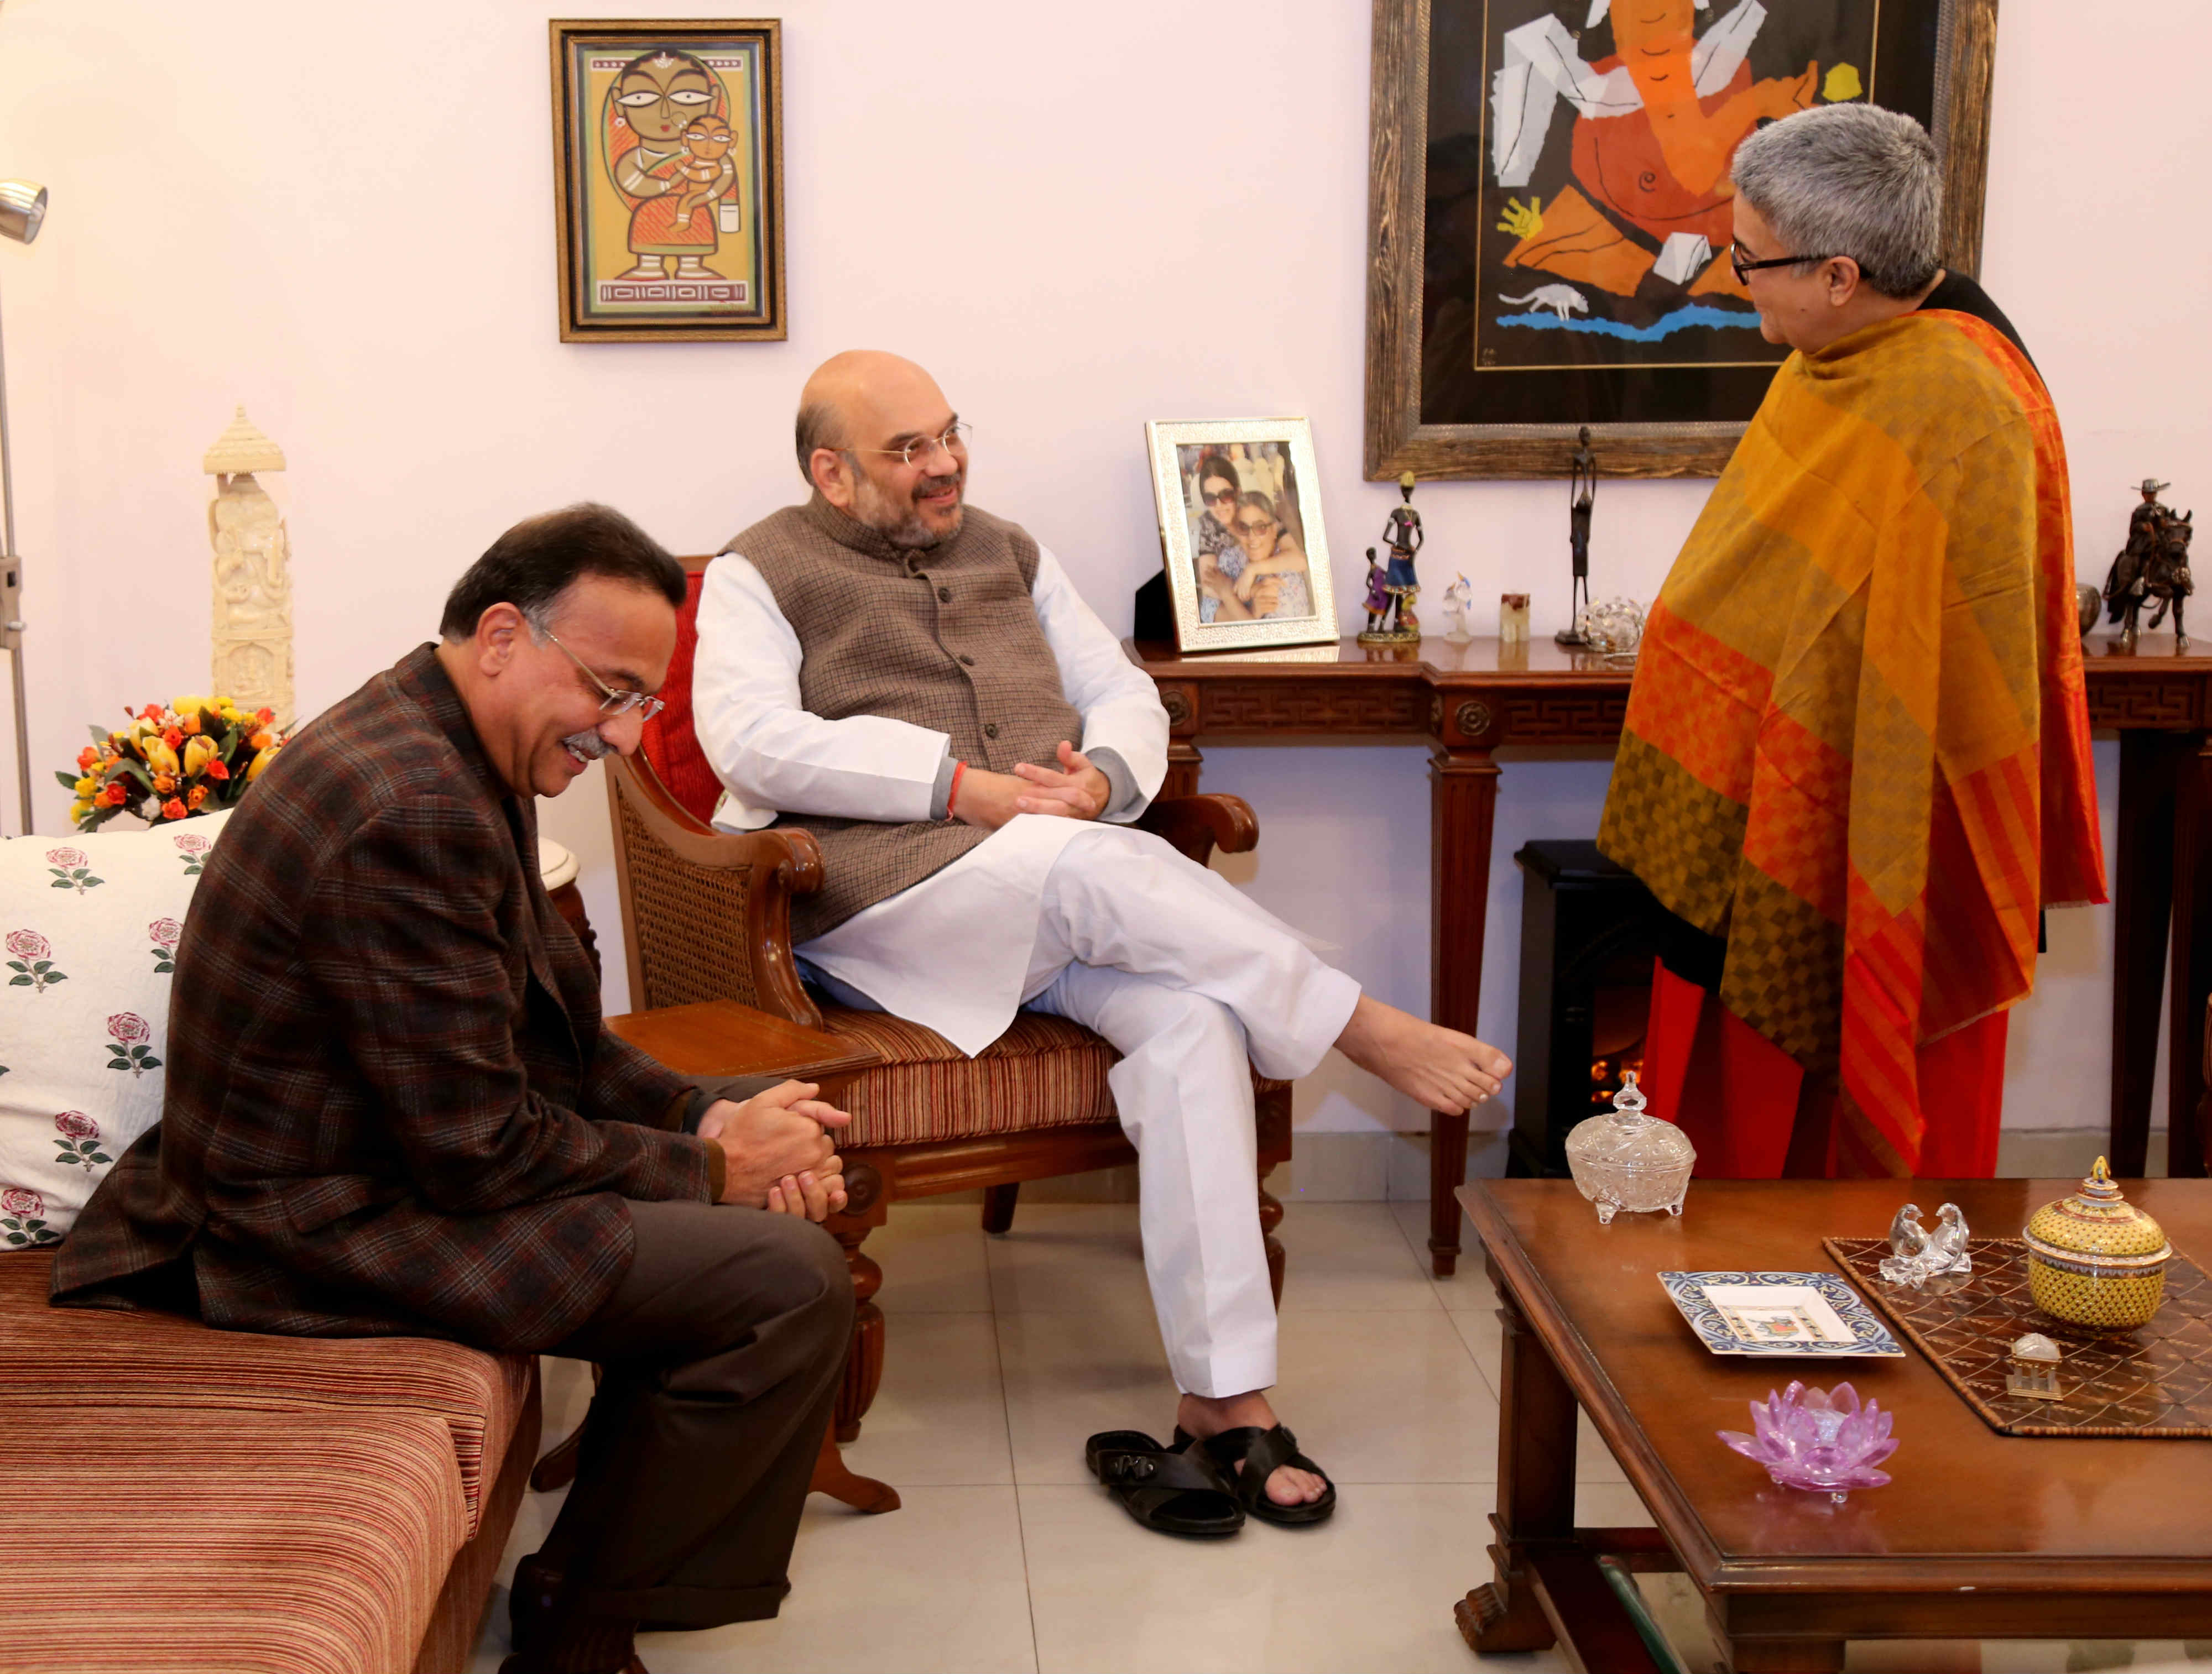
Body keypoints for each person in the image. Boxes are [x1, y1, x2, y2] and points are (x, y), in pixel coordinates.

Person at [691, 350, 1513, 1531]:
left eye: (948, 432)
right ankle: (1355, 1022)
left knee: (1193, 1023)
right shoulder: (757, 570)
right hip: (881, 909)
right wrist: (959, 788)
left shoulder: (1009, 546)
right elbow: (749, 741)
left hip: (1048, 893)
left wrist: (1106, 777)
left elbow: (1118, 687)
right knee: (1089, 869)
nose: (945, 463)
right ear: (829, 472)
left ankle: (1224, 1398)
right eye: (906, 450)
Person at [53, 505, 860, 1674]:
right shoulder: (414, 806)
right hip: (308, 1221)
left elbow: (554, 1036)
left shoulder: (449, 741)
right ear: (501, 636)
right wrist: (714, 1168)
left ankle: (627, 1511)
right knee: (785, 1281)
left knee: (799, 1127)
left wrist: (713, 1117)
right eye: (611, 690)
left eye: (644, 703)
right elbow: (478, 1147)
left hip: (386, 1158)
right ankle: (576, 1624)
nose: (628, 738)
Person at [1597, 104, 2106, 1181]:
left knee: (1832, 1187)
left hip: (1874, 826)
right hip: (1752, 797)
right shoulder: (1841, 347)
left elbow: (1949, 655)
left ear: (1836, 272)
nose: (1734, 280)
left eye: (1749, 260)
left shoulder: (1957, 397)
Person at [1225, 490, 1313, 619]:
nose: (1251, 537)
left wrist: (1229, 595)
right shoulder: (1231, 556)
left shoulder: (1284, 584)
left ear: (1275, 530)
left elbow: (1267, 638)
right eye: (1244, 528)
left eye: (1260, 528)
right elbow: (1209, 610)